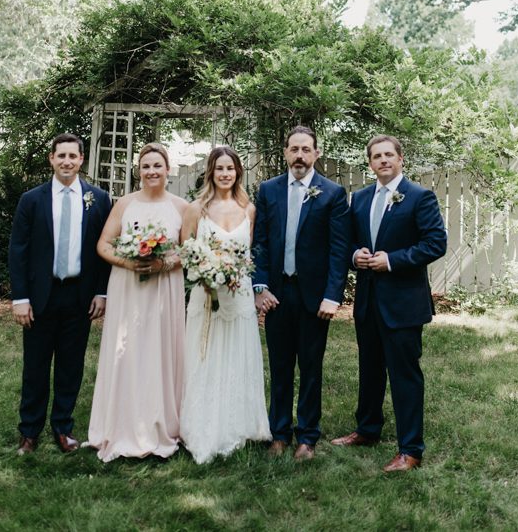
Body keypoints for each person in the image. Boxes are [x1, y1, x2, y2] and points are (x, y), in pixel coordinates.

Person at [331, 134, 447, 472]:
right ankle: (367, 429)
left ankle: (410, 449)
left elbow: (435, 243)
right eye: (376, 156)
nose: (382, 160)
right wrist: (356, 255)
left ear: (400, 159)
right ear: (369, 163)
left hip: (403, 304)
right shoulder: (362, 198)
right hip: (367, 301)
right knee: (369, 370)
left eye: (388, 155)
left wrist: (391, 260)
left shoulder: (419, 197)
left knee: (404, 375)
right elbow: (349, 241)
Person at [9, 133, 111, 455]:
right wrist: (20, 298)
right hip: (42, 296)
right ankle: (29, 431)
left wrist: (101, 292)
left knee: (71, 366)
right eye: (61, 155)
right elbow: (18, 251)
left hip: (79, 297)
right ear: (51, 159)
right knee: (35, 366)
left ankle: (63, 428)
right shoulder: (32, 200)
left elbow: (103, 251)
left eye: (73, 156)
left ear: (82, 160)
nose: (67, 161)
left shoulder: (99, 199)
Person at [253, 125, 351, 460]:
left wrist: (332, 295)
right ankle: (278, 434)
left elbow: (339, 250)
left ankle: (307, 436)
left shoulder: (333, 193)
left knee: (310, 367)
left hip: (314, 297)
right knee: (280, 367)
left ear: (316, 153)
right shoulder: (268, 190)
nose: (299, 155)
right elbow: (260, 243)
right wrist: (260, 287)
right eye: (294, 149)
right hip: (277, 293)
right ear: (285, 152)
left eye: (306, 149)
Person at [87, 142, 187, 461]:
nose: (151, 171)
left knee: (160, 349)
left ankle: (162, 423)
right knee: (127, 350)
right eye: (146, 166)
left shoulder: (182, 207)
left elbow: (189, 250)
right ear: (138, 171)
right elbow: (103, 245)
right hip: (128, 286)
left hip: (165, 288)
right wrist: (130, 262)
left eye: (157, 165)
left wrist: (164, 262)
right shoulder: (124, 204)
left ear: (168, 170)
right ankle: (121, 423)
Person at [180, 146, 271, 463]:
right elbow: (186, 252)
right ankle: (202, 423)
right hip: (207, 296)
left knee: (236, 355)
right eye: (219, 168)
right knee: (205, 356)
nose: (224, 174)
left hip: (240, 294)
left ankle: (239, 422)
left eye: (230, 169)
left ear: (238, 173)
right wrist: (204, 275)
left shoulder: (249, 209)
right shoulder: (196, 209)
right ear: (211, 172)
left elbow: (251, 255)